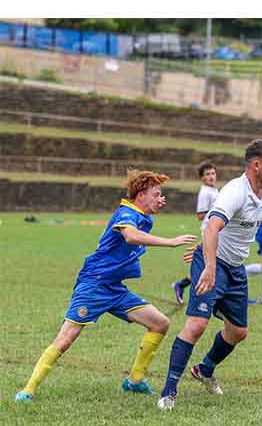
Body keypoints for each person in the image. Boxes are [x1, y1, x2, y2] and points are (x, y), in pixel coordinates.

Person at [14, 171, 197, 402]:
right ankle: (28, 390)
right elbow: (130, 236)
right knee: (66, 338)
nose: (161, 198)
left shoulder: (141, 214)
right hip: (94, 284)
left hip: (114, 288)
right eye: (156, 194)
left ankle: (135, 380)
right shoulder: (126, 213)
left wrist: (152, 206)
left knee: (160, 324)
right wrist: (170, 242)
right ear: (141, 195)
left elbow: (139, 224)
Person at [157, 139, 262, 411]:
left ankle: (205, 368)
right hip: (214, 264)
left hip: (235, 267)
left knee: (238, 332)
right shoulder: (235, 191)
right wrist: (208, 265)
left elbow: (236, 232)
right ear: (256, 165)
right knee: (196, 325)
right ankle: (168, 392)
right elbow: (212, 228)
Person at [172, 162, 219, 304]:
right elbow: (200, 215)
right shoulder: (205, 192)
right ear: (202, 178)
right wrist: (216, 213)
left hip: (217, 232)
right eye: (207, 174)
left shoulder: (213, 190)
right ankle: (182, 285)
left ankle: (181, 284)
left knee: (210, 264)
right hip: (209, 232)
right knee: (209, 265)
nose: (211, 176)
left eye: (212, 173)